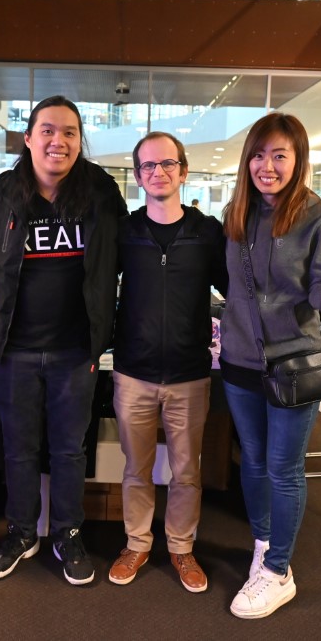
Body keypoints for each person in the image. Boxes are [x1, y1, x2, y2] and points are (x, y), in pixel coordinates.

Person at [0, 95, 127, 586]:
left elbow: (124, 260)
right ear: (28, 138)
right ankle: (22, 533)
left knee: (69, 450)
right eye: (47, 130)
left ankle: (68, 533)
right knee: (18, 449)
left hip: (75, 351)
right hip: (14, 350)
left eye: (69, 132)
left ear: (80, 142)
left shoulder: (101, 194)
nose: (58, 141)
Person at [218, 113, 321, 619]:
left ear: (298, 160)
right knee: (252, 460)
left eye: (279, 155)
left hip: (294, 362)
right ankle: (263, 544)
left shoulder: (319, 218)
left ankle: (278, 571)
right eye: (258, 155)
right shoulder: (236, 213)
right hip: (239, 359)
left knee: (283, 467)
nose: (267, 166)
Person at [108, 132, 227, 593]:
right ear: (138, 177)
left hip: (189, 374)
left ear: (183, 171)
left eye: (167, 164)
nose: (158, 172)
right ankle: (136, 543)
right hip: (133, 372)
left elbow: (235, 289)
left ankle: (181, 547)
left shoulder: (207, 232)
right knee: (136, 468)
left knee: (186, 471)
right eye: (148, 166)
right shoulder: (125, 232)